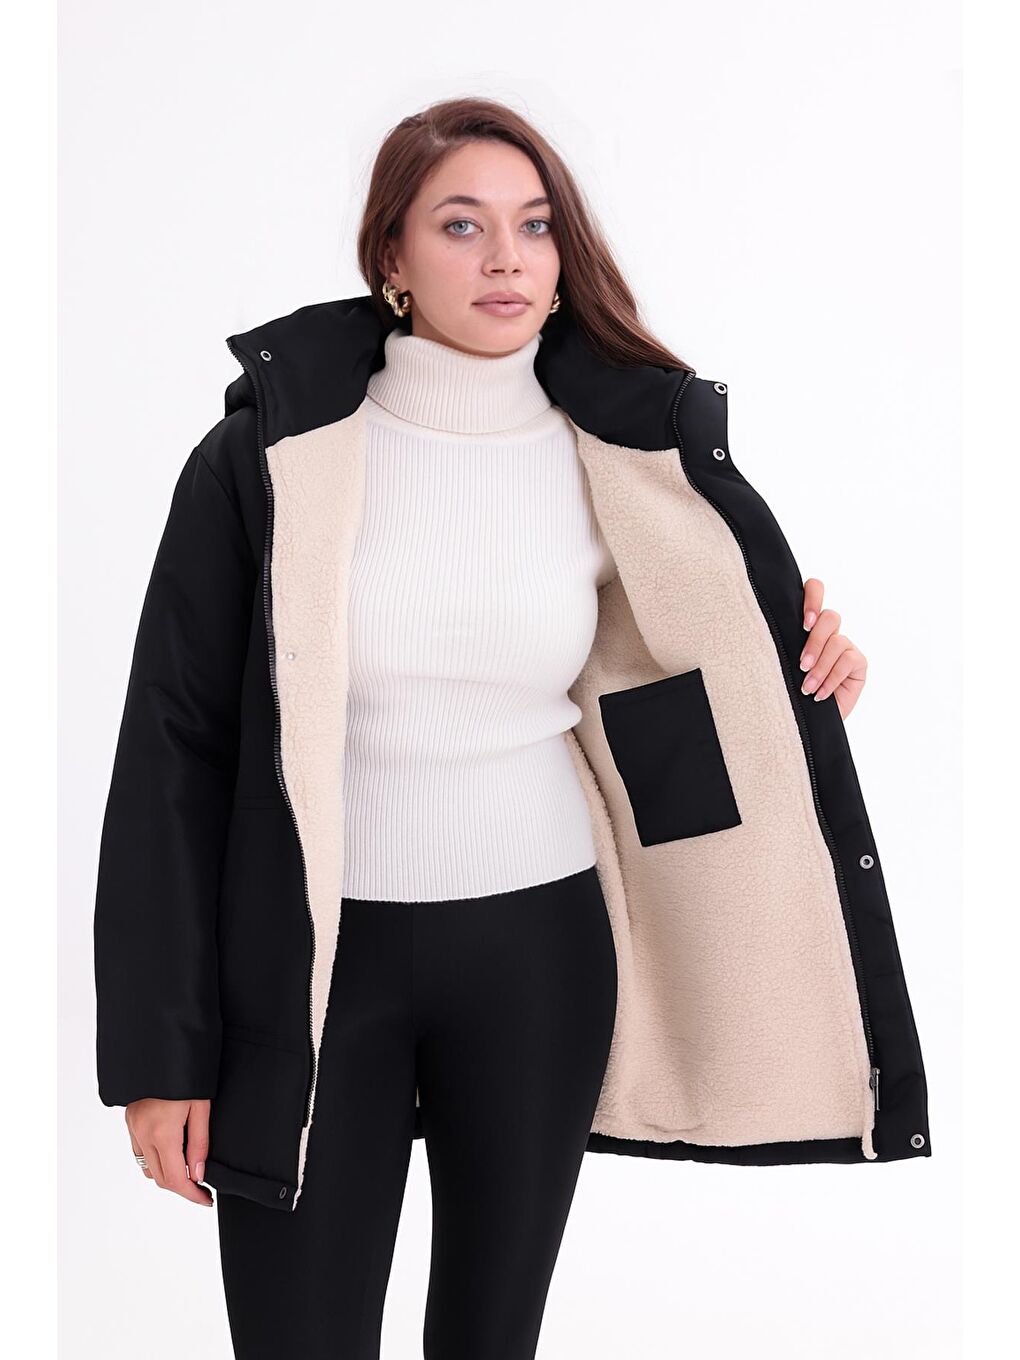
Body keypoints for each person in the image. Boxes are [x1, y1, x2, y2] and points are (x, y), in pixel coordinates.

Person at [94, 96, 929, 1360]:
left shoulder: (627, 458)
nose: (506, 258)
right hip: (314, 966)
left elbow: (677, 693)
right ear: (391, 255)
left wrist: (803, 672)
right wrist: (160, 1056)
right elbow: (173, 750)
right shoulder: (270, 458)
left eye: (535, 227)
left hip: (539, 951)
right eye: (461, 224)